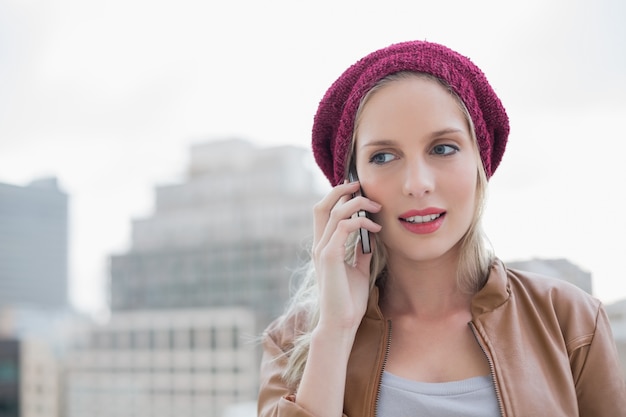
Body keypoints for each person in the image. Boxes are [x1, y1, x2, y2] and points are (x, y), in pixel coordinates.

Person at [257, 40, 626, 417]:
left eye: (443, 148)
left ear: (480, 164)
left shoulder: (571, 320)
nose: (417, 183)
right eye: (383, 156)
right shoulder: (293, 342)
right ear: (350, 183)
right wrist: (335, 331)